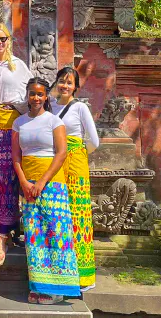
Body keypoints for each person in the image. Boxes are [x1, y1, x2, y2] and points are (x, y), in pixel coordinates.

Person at [12, 77, 80, 304]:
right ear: (27, 94)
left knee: (56, 234)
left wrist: (41, 182)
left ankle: (57, 289)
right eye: (32, 93)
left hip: (52, 184)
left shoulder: (53, 121)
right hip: (28, 184)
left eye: (40, 94)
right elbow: (16, 157)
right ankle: (39, 284)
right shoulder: (19, 123)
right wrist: (24, 182)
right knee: (35, 236)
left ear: (46, 96)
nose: (36, 98)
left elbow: (61, 153)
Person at [0, 23, 34, 267]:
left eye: (3, 39)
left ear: (9, 39)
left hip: (11, 128)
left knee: (8, 180)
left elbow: (29, 98)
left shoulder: (20, 66)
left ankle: (4, 236)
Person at [51, 67, 99, 292]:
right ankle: (62, 270)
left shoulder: (79, 107)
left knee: (78, 216)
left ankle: (84, 276)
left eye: (70, 83)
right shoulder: (49, 106)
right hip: (54, 162)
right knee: (59, 215)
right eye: (62, 81)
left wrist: (77, 151)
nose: (65, 86)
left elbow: (94, 142)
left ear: (76, 87)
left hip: (76, 163)